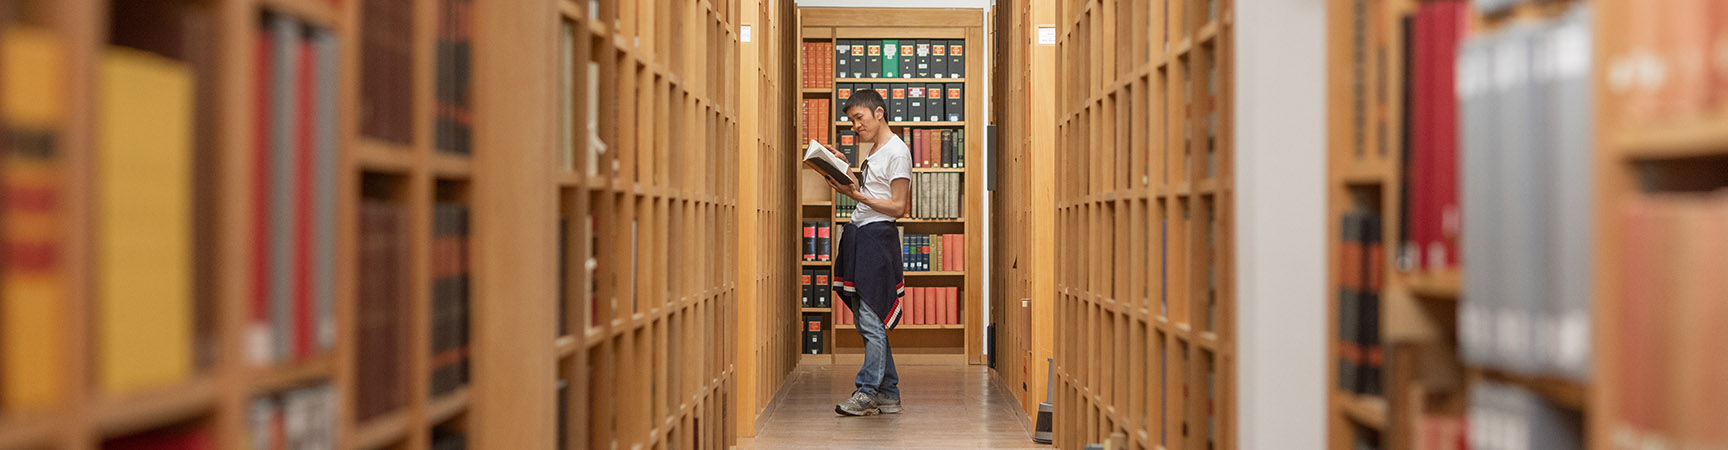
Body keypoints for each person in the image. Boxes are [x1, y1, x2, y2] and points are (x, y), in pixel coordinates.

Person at [820, 88, 911, 416]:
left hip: (876, 240)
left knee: (871, 320)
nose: (855, 125)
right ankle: (888, 393)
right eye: (851, 120)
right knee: (865, 318)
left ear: (879, 113)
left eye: (859, 118)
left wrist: (856, 195)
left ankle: (867, 390)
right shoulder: (875, 150)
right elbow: (873, 191)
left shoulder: (897, 152)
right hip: (861, 235)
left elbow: (898, 207)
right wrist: (844, 170)